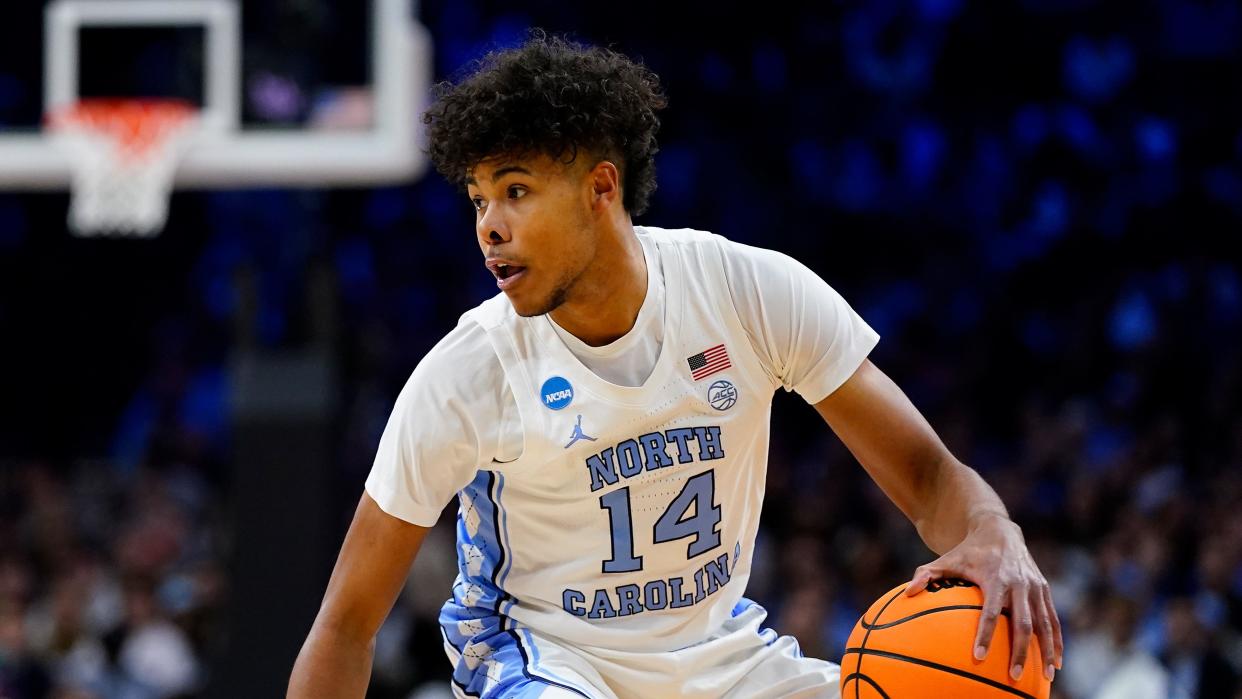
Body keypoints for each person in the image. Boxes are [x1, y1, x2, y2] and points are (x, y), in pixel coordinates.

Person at [288, 32, 1063, 698]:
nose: (490, 226)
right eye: (479, 199)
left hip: (719, 660)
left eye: (515, 191)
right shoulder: (468, 370)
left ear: (601, 186)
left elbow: (928, 479)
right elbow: (349, 622)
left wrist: (994, 528)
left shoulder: (746, 292)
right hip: (540, 664)